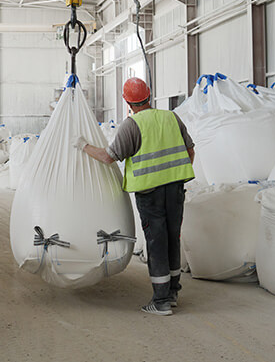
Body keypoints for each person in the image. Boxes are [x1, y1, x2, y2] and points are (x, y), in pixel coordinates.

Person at [74, 77, 195, 316]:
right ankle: (172, 294)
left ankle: (160, 302)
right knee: (173, 239)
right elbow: (190, 151)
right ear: (149, 96)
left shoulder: (131, 126)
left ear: (127, 101)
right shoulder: (171, 117)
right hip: (175, 190)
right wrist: (175, 175)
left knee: (156, 242)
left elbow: (109, 157)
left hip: (150, 193)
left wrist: (83, 146)